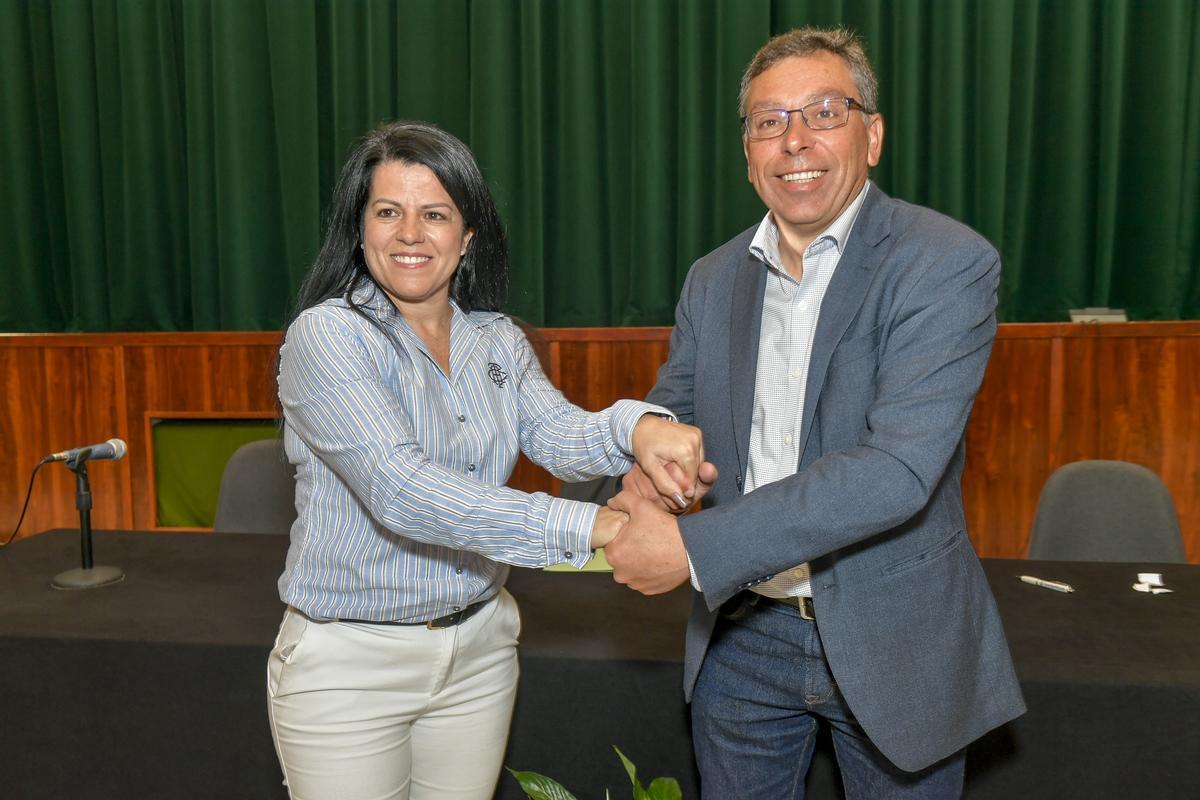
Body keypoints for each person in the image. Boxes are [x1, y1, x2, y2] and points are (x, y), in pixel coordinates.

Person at [605, 27, 1026, 798]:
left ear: (872, 136)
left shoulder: (945, 262)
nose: (793, 140)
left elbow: (896, 472)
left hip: (895, 636)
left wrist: (695, 548)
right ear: (748, 151)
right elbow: (676, 404)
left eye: (823, 112)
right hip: (742, 637)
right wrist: (645, 469)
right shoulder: (713, 277)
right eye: (769, 121)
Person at [267, 120, 704, 800]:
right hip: (352, 664)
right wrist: (607, 530)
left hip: (479, 649)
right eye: (389, 212)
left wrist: (640, 426)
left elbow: (559, 432)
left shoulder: (495, 339)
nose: (411, 233)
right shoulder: (327, 335)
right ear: (360, 231)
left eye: (435, 214)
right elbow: (403, 491)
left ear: (467, 238)